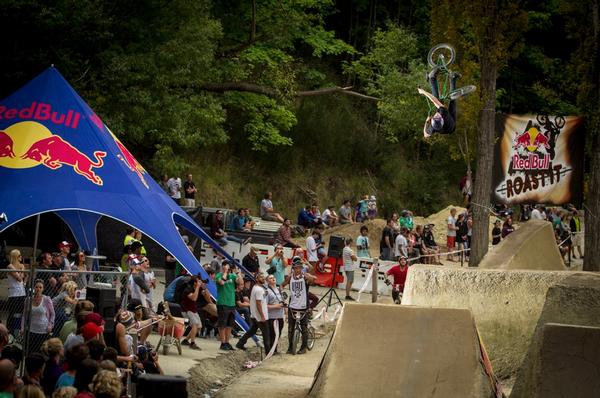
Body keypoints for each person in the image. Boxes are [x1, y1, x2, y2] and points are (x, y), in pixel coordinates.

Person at [418, 67, 470, 138]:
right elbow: (434, 100)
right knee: (452, 101)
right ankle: (453, 78)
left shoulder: (432, 128)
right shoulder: (443, 113)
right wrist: (423, 92)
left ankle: (431, 78)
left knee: (438, 101)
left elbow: (425, 135)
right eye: (438, 115)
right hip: (451, 126)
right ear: (441, 118)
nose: (436, 114)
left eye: (434, 116)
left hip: (444, 124)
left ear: (433, 122)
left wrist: (426, 122)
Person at [281, 257, 316, 355]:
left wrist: (309, 275)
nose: (298, 270)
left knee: (304, 328)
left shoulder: (305, 276)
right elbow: (281, 285)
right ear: (293, 268)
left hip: (303, 306)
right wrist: (282, 294)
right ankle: (290, 347)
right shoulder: (289, 277)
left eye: (300, 268)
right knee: (290, 329)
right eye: (296, 268)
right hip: (292, 306)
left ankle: (303, 347)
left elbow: (313, 278)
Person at [236, 272, 270, 352]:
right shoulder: (258, 290)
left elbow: (260, 299)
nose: (263, 278)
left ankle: (240, 343)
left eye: (263, 277)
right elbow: (258, 304)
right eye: (261, 277)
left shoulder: (256, 288)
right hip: (259, 316)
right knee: (266, 334)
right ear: (257, 279)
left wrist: (266, 292)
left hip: (255, 315)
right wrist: (262, 316)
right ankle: (268, 351)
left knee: (252, 331)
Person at [216, 263, 243, 351]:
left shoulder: (232, 276)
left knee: (229, 325)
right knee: (222, 324)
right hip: (222, 303)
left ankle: (227, 342)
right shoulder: (219, 275)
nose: (227, 267)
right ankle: (222, 343)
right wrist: (225, 272)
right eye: (225, 266)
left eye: (228, 266)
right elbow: (222, 282)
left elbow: (240, 283)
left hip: (231, 303)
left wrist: (238, 273)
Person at [24, 279, 55, 353]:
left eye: (40, 287)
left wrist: (51, 325)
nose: (38, 289)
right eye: (36, 287)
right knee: (30, 351)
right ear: (34, 288)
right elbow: (24, 315)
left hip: (43, 330)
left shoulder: (47, 300)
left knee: (41, 351)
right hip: (31, 330)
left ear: (43, 289)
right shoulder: (28, 300)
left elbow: (53, 314)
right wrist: (23, 327)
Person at [180, 276, 203, 350]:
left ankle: (186, 340)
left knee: (199, 326)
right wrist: (197, 288)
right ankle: (192, 343)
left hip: (193, 309)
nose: (199, 283)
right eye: (198, 281)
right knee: (195, 325)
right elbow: (194, 298)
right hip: (186, 310)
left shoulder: (195, 288)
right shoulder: (188, 289)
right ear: (194, 283)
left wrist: (201, 286)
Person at [7, 249, 26, 334]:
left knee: (20, 313)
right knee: (13, 313)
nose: (21, 257)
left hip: (22, 293)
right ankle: (9, 332)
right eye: (19, 256)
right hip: (14, 294)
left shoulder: (20, 266)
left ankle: (17, 331)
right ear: (16, 257)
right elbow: (19, 278)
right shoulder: (10, 266)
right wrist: (22, 269)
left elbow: (23, 279)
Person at [265, 274, 285, 354]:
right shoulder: (267, 291)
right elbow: (265, 305)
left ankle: (275, 349)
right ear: (267, 281)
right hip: (272, 317)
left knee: (278, 334)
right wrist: (276, 306)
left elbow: (282, 301)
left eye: (273, 277)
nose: (273, 279)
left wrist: (285, 311)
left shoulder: (278, 289)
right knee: (272, 334)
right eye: (270, 278)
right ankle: (270, 351)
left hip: (280, 316)